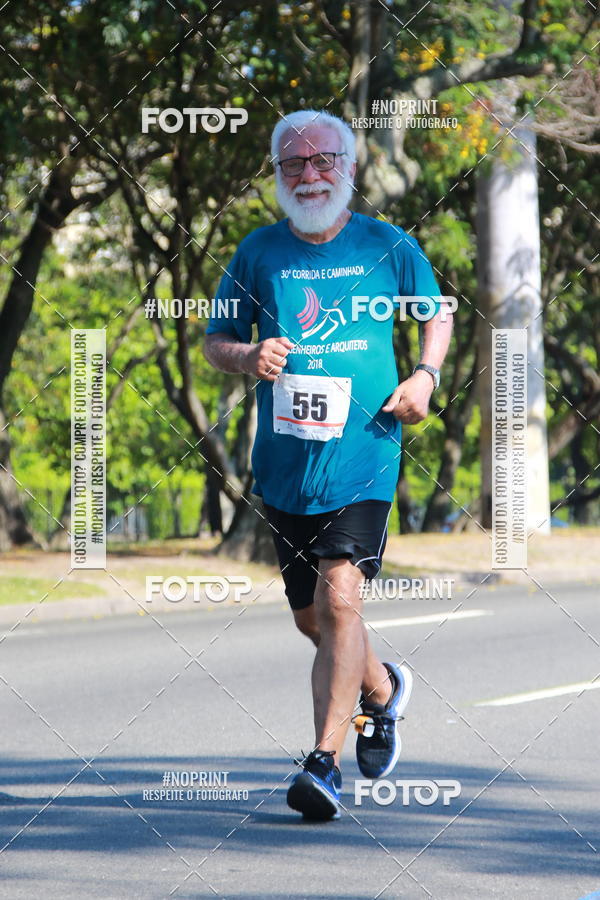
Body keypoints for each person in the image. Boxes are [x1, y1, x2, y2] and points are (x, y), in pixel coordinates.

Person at [204, 109, 453, 821]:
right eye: (294, 164)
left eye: (323, 161)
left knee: (343, 600)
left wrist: (427, 377)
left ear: (349, 165)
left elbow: (437, 313)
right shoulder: (258, 253)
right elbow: (215, 339)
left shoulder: (388, 245)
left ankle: (323, 765)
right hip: (285, 466)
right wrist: (249, 356)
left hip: (366, 455)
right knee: (315, 620)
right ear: (277, 174)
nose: (309, 175)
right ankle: (381, 689)